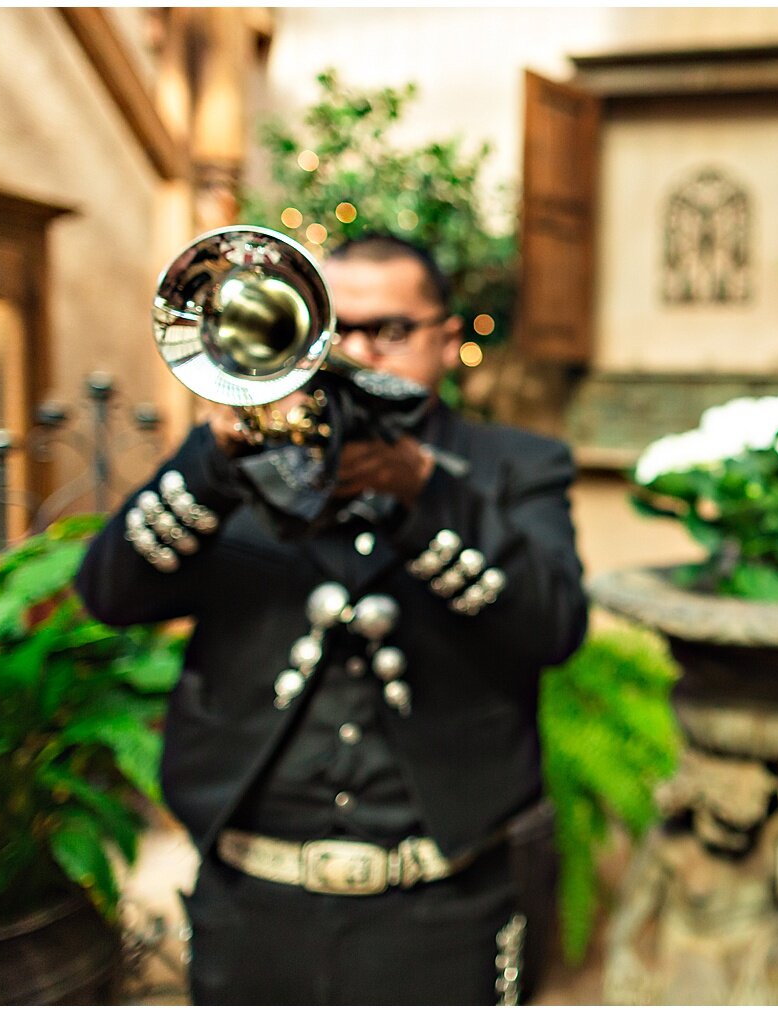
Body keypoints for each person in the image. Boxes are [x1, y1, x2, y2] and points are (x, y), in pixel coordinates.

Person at [76, 234, 588, 1004]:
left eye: (387, 331)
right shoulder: (231, 463)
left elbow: (554, 628)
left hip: (441, 905)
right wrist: (215, 461)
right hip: (251, 899)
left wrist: (426, 496)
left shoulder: (516, 464)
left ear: (447, 340)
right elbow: (109, 595)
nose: (352, 352)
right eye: (333, 328)